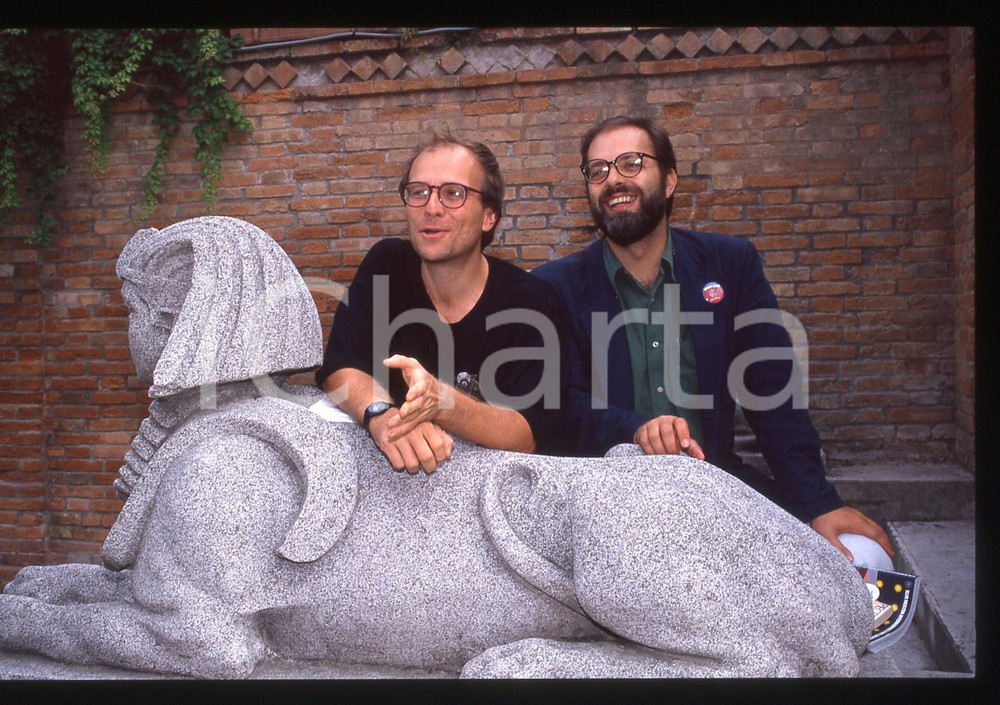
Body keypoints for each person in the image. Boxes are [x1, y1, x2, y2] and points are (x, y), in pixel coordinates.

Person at [532, 115, 893, 564]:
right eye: (599, 170)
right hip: (606, 504)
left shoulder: (730, 264)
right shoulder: (553, 287)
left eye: (631, 163)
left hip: (716, 487)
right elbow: (559, 407)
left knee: (855, 562)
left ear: (668, 181)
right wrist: (635, 430)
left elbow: (770, 390)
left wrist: (817, 502)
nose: (613, 180)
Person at [316, 130, 567, 474]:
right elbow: (340, 367)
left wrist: (441, 403)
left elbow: (529, 434)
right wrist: (381, 416)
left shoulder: (530, 302)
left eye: (453, 194)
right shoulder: (386, 266)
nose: (431, 208)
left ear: (488, 216)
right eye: (418, 192)